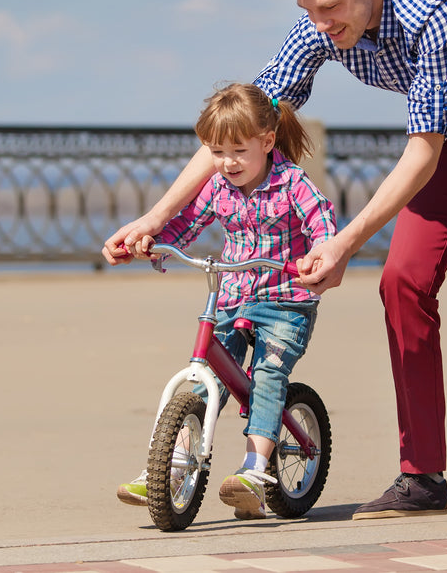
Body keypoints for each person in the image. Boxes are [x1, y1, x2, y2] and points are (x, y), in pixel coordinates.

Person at [105, 0, 447, 519]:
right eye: (308, 10)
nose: (319, 23)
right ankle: (423, 478)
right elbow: (247, 124)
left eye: (329, 7)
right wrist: (154, 216)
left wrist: (344, 241)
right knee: (402, 282)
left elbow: (422, 150)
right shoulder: (320, 23)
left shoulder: (436, 12)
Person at [114, 82, 336, 520]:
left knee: (269, 373)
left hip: (285, 299)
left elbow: (322, 221)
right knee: (206, 378)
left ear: (267, 142)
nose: (227, 163)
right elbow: (187, 224)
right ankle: (170, 465)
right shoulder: (218, 188)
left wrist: (321, 252)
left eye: (237, 150)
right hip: (233, 294)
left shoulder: (292, 183)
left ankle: (254, 469)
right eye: (216, 152)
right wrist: (154, 242)